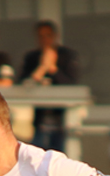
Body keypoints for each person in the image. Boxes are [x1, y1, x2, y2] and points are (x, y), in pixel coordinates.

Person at [20, 20, 79, 152]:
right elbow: (22, 86)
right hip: (40, 121)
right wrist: (41, 69)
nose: (45, 39)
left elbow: (72, 85)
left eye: (48, 35)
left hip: (62, 121)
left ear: (55, 36)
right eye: (41, 36)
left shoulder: (66, 56)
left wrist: (53, 69)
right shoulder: (32, 58)